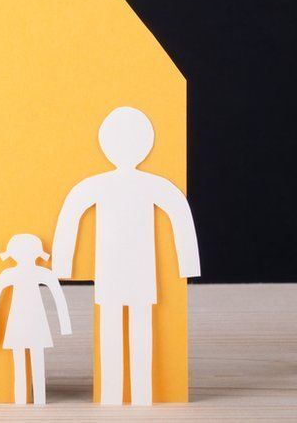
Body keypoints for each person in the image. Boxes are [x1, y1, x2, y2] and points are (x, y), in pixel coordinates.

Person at [51, 107, 200, 405]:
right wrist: (61, 264)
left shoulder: (111, 185)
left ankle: (134, 395)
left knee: (132, 331)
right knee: (121, 331)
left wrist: (188, 263)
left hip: (137, 273)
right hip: (118, 272)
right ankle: (116, 395)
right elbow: (71, 214)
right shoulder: (140, 185)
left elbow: (180, 214)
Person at [0, 234, 71, 405]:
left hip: (31, 322)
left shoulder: (32, 273)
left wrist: (65, 326)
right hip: (21, 323)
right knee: (27, 362)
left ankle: (34, 400)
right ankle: (25, 400)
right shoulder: (17, 274)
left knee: (30, 362)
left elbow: (59, 298)